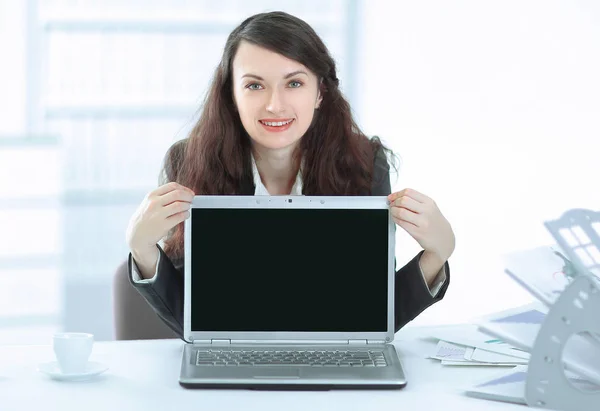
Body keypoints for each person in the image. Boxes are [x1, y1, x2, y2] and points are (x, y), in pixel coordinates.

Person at [125, 11, 455, 338]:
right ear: (231, 96)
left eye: (294, 83)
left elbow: (372, 321)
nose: (275, 105)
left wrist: (437, 254)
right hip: (232, 370)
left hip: (331, 372)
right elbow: (194, 325)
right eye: (254, 85)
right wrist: (142, 248)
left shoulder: (365, 164)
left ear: (320, 93)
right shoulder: (190, 162)